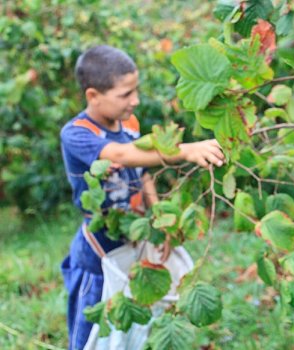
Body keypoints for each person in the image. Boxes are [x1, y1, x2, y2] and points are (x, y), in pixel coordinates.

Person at [59, 45, 225, 350]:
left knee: (129, 326)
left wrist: (158, 217)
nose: (134, 101)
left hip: (133, 238)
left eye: (136, 91)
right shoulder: (77, 134)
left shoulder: (130, 125)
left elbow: (142, 172)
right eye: (125, 94)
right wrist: (185, 150)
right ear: (93, 96)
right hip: (97, 252)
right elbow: (121, 155)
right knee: (89, 331)